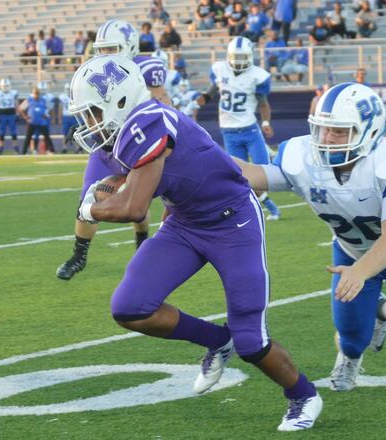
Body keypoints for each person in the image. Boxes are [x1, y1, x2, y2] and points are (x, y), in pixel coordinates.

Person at [70, 55, 322, 431]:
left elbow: (133, 207)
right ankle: (219, 341)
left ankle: (303, 395)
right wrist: (95, 199)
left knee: (252, 340)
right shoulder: (118, 135)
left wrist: (92, 209)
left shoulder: (148, 122)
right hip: (185, 221)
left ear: (118, 101)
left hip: (232, 220)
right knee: (130, 307)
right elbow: (100, 186)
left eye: (92, 112)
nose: (88, 123)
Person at [236, 82, 386, 392]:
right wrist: (201, 155)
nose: (328, 139)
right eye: (324, 129)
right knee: (352, 335)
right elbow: (254, 175)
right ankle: (349, 357)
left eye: (340, 131)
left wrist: (360, 273)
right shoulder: (302, 156)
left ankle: (381, 310)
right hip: (351, 251)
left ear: (369, 132)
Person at [56, 20, 169, 281]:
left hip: (136, 144)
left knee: (137, 200)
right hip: (104, 146)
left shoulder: (146, 68)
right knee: (88, 196)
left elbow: (163, 102)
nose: (106, 54)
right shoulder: (95, 69)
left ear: (130, 46)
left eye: (113, 48)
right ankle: (79, 254)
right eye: (103, 49)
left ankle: (142, 242)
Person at [202, 36, 281, 220]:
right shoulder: (220, 70)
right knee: (240, 177)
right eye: (235, 57)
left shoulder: (257, 75)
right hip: (229, 132)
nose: (238, 61)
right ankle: (269, 208)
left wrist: (266, 123)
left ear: (250, 56)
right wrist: (197, 102)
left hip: (250, 130)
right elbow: (210, 93)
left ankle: (272, 157)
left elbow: (263, 103)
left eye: (242, 57)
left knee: (262, 176)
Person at [19, 86, 54, 154]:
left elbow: (51, 108)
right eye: (35, 93)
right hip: (32, 122)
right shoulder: (29, 100)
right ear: (32, 93)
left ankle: (51, 150)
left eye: (37, 93)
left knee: (47, 137)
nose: (36, 94)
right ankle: (24, 152)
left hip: (42, 122)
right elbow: (21, 108)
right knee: (28, 137)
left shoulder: (43, 100)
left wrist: (48, 115)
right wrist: (25, 117)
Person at [0, 79, 20, 154]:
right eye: (4, 86)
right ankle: (0, 148)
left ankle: (16, 148)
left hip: (11, 113)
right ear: (1, 86)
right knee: (1, 133)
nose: (5, 87)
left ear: (10, 86)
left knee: (13, 132)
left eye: (7, 86)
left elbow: (16, 103)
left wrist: (17, 113)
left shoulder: (13, 93)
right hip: (2, 114)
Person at [59, 83, 79, 153]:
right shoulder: (62, 97)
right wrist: (60, 118)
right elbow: (60, 107)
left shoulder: (75, 96)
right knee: (65, 133)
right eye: (66, 89)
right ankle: (64, 147)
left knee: (76, 133)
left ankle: (77, 148)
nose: (67, 90)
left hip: (73, 116)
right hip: (65, 116)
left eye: (68, 89)